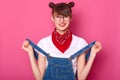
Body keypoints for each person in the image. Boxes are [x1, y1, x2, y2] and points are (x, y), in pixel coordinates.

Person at [22, 2, 102, 80]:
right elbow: (39, 78)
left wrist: (93, 54)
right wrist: (30, 52)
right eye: (58, 17)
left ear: (70, 18)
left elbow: (81, 78)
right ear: (52, 18)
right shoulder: (44, 43)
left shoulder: (80, 43)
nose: (62, 20)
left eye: (65, 16)